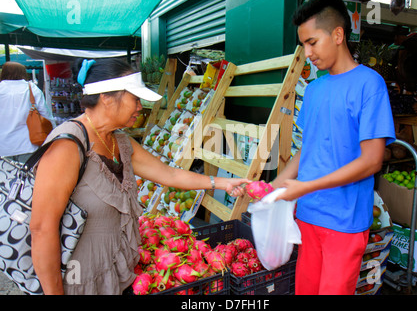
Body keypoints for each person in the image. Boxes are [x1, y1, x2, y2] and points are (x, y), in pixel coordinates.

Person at [29, 58, 251, 295]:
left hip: (118, 276)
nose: (140, 106)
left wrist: (222, 182)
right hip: (81, 282)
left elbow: (168, 174)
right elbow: (42, 228)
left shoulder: (120, 141)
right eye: (135, 98)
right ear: (106, 96)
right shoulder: (68, 146)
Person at [271, 0, 396, 295]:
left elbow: (371, 161)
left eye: (312, 42)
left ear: (338, 35)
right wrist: (276, 184)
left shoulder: (370, 84)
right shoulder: (314, 89)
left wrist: (306, 186)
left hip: (345, 221)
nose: (307, 52)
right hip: (308, 216)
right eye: (303, 45)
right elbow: (308, 148)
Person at [0, 61, 54, 163]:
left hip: (3, 146)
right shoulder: (31, 88)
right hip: (28, 144)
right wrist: (54, 132)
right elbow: (46, 114)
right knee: (28, 177)